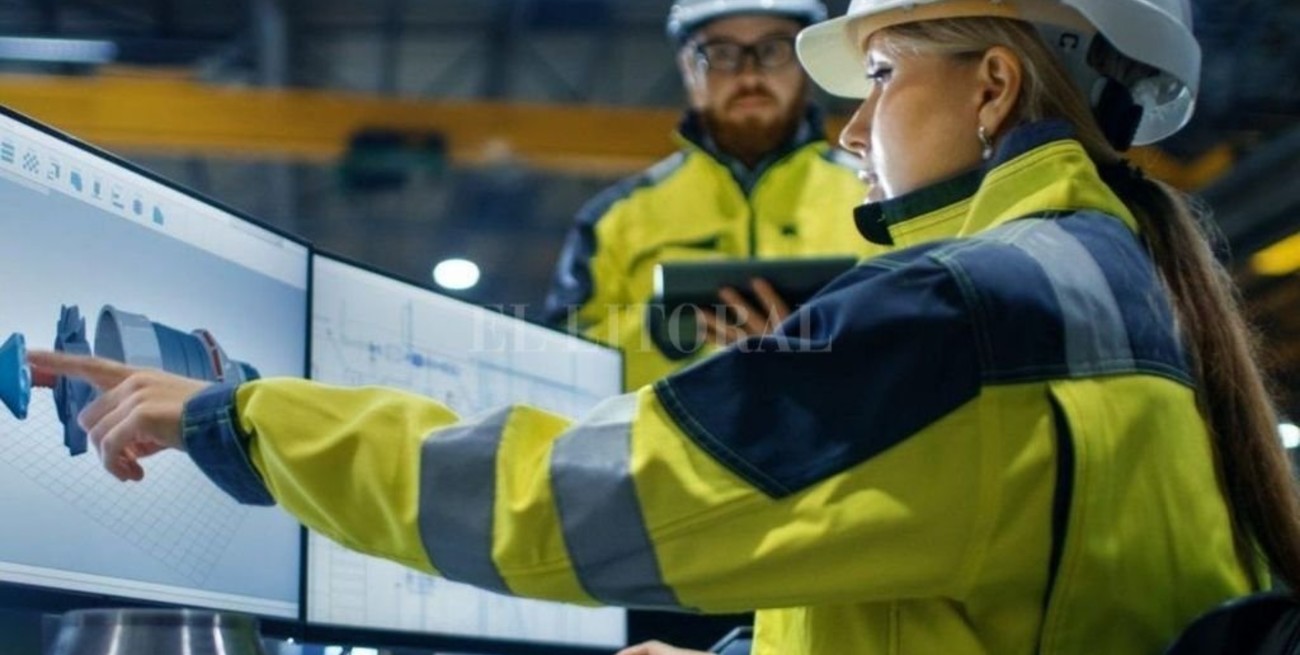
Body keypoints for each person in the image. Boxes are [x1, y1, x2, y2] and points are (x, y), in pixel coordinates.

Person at [28, 0, 1300, 653]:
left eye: (874, 78)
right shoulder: (1130, 287)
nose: (848, 128)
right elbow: (972, 596)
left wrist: (238, 415)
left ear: (993, 83)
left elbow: (571, 501)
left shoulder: (963, 310)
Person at [543, 0, 884, 391]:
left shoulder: (878, 196)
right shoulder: (614, 220)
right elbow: (557, 373)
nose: (749, 74)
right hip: (669, 449)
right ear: (688, 67)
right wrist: (654, 333)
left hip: (844, 444)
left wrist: (832, 348)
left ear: (804, 64)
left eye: (773, 49)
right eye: (722, 53)